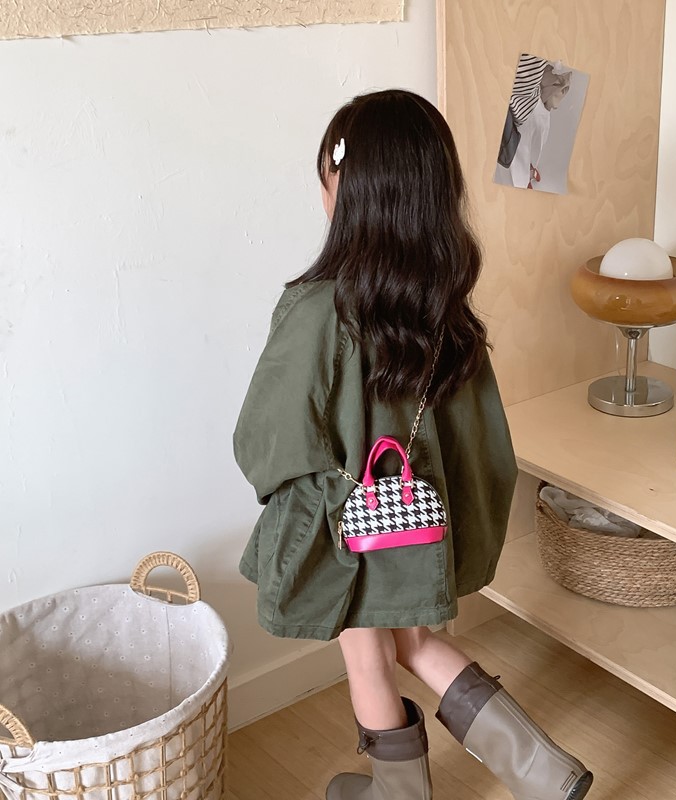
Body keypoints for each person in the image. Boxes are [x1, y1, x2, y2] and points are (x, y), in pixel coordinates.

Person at [234, 89, 592, 800]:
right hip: (419, 521)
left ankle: (397, 795)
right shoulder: (446, 312)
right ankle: (543, 772)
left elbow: (266, 438)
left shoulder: (318, 309)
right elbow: (483, 444)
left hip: (348, 529)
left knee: (367, 654)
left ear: (347, 190)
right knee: (416, 641)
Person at [496, 55, 572, 189]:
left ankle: (529, 168)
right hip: (516, 110)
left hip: (535, 94)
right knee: (516, 156)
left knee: (539, 137)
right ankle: (523, 181)